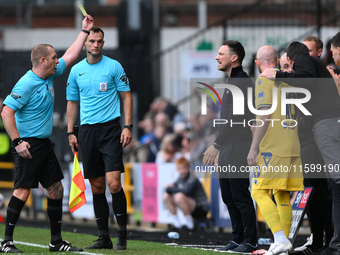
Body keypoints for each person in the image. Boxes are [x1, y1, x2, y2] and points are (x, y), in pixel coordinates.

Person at [0, 15, 94, 253]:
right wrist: (17, 141)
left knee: (56, 190)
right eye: (53, 58)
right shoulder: (26, 83)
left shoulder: (49, 73)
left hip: (43, 144)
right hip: (27, 145)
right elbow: (6, 112)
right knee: (21, 192)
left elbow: (71, 56)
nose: (57, 62)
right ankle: (7, 242)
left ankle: (56, 242)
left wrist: (84, 32)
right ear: (42, 60)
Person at [261, 41, 340, 255]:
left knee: (329, 185)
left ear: (291, 59)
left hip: (319, 130)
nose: (289, 71)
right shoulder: (314, 69)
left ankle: (330, 243)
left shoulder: (305, 62)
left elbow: (303, 81)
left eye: (289, 67)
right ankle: (324, 242)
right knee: (320, 189)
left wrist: (277, 77)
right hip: (313, 133)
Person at [66, 26, 132, 251]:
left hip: (110, 130)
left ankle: (122, 235)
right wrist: (70, 132)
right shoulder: (76, 71)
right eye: (92, 41)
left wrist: (127, 126)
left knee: (114, 184)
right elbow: (72, 103)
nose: (96, 45)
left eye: (100, 41)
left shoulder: (114, 66)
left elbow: (126, 96)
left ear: (103, 43)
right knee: (96, 187)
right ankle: (104, 236)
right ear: (85, 43)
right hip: (87, 132)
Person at [202, 40, 258, 253]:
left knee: (240, 195)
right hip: (228, 147)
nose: (217, 57)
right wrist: (219, 148)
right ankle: (237, 238)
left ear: (234, 58)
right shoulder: (233, 82)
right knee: (228, 196)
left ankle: (250, 241)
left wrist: (216, 145)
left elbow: (234, 119)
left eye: (221, 53)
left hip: (239, 145)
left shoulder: (242, 82)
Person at [248, 46, 304, 255]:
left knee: (259, 191)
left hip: (273, 146)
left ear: (257, 63)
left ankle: (280, 238)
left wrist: (254, 148)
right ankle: (285, 242)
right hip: (292, 143)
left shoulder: (264, 80)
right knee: (281, 193)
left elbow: (265, 116)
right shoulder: (290, 78)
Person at [290, 37, 334, 255]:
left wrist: (281, 75)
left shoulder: (314, 71)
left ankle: (329, 241)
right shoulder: (312, 73)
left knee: (324, 190)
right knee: (313, 190)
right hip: (307, 136)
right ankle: (319, 241)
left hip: (317, 135)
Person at [163, 157, 209, 230]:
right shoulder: (180, 178)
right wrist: (168, 188)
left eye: (184, 168)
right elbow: (170, 189)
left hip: (201, 207)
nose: (182, 171)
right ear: (177, 169)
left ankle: (190, 225)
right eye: (180, 168)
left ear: (188, 168)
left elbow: (186, 191)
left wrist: (169, 188)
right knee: (166, 196)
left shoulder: (192, 177)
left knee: (179, 196)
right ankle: (177, 224)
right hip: (190, 205)